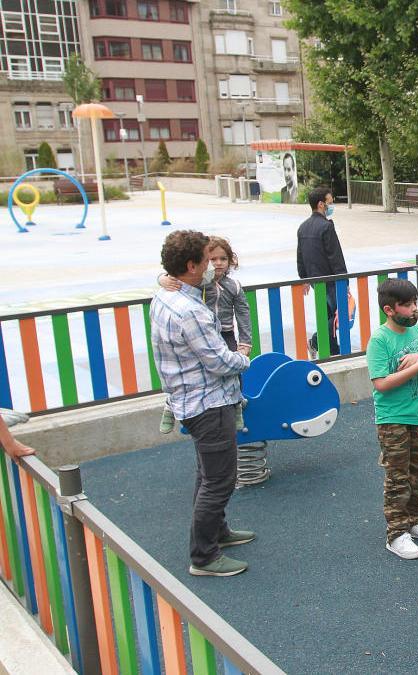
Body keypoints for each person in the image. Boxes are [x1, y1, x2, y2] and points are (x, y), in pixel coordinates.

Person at [150, 230, 254, 577]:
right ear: (192, 266)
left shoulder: (165, 296)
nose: (213, 266)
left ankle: (216, 533)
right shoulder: (188, 310)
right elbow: (218, 361)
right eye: (208, 261)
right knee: (220, 480)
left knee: (207, 473)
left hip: (191, 400)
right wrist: (243, 359)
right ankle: (204, 557)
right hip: (207, 403)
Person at [366, 278, 418, 560]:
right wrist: (416, 366)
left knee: (416, 474)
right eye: (407, 305)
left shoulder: (417, 331)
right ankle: (396, 533)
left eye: (415, 303)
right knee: (398, 478)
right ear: (389, 309)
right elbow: (381, 384)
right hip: (392, 419)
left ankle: (415, 520)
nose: (414, 309)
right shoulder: (380, 340)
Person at [158, 236, 252, 433]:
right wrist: (162, 279)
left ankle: (235, 407)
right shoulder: (201, 282)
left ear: (230, 262)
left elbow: (243, 313)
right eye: (212, 259)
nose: (217, 264)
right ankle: (169, 404)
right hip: (204, 333)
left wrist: (245, 342)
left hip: (225, 333)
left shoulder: (233, 286)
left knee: (234, 371)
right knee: (207, 369)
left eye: (223, 259)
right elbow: (172, 276)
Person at [297, 187, 347, 357]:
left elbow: (300, 255)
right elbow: (335, 257)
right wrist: (344, 281)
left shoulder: (303, 227)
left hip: (315, 281)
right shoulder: (326, 227)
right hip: (331, 281)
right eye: (330, 202)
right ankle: (321, 344)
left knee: (326, 316)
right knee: (336, 317)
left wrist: (303, 278)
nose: (331, 206)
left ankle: (326, 346)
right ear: (321, 204)